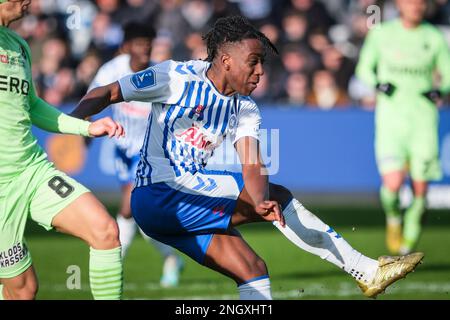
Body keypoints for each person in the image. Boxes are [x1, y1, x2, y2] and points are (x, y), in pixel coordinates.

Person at [72, 15, 424, 300]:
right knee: (281, 196)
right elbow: (110, 91)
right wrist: (76, 124)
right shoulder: (175, 76)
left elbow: (252, 161)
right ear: (225, 60)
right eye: (253, 62)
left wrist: (258, 199)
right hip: (159, 194)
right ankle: (367, 271)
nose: (260, 72)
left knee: (253, 268)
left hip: (180, 207)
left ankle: (366, 272)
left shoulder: (245, 109)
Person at [0, 0, 124, 300]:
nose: (31, 1)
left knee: (105, 231)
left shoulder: (18, 45)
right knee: (23, 290)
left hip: (32, 170)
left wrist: (84, 127)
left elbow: (31, 105)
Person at [88, 22, 183, 287]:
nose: (145, 49)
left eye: (149, 44)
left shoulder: (157, 74)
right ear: (126, 47)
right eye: (140, 44)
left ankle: (113, 262)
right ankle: (171, 259)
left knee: (129, 208)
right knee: (142, 215)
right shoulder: (111, 71)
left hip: (150, 152)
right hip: (123, 151)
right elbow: (92, 99)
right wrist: (83, 127)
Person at [356, 0, 450, 255]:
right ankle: (394, 218)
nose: (416, 6)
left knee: (420, 188)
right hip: (391, 121)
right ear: (399, 4)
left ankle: (407, 246)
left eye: (421, 3)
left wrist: (441, 88)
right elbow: (364, 68)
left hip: (423, 121)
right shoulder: (383, 33)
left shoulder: (434, 37)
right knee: (393, 184)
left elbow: (448, 71)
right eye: (411, 1)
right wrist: (377, 83)